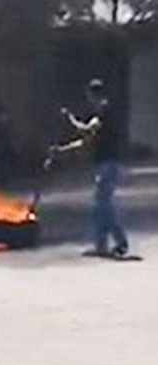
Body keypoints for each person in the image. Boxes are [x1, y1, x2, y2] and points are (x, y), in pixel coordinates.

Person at [50, 78, 129, 258]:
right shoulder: (101, 112)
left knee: (104, 206)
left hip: (109, 165)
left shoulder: (104, 111)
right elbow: (85, 141)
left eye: (89, 96)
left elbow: (86, 131)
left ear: (94, 94)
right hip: (106, 165)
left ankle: (120, 241)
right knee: (101, 206)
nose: (88, 100)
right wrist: (62, 150)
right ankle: (102, 244)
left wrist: (69, 119)